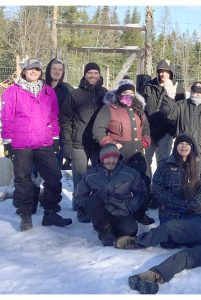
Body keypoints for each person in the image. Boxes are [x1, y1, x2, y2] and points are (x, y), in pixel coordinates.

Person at [1, 58, 72, 231]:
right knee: (23, 180)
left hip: (43, 141)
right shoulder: (12, 91)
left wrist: (55, 138)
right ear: (24, 71)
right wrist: (7, 142)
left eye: (36, 69)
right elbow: (6, 117)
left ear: (41, 72)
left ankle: (50, 212)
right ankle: (25, 215)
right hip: (21, 143)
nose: (33, 72)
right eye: (30, 69)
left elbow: (53, 116)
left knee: (54, 177)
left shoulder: (48, 91)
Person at [93, 78, 154, 225]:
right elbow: (98, 130)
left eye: (131, 92)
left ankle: (140, 212)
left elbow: (145, 128)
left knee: (142, 183)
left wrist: (145, 140)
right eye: (125, 92)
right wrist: (111, 145)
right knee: (118, 186)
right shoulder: (109, 109)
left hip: (137, 152)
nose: (128, 95)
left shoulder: (139, 109)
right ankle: (115, 215)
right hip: (118, 154)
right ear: (119, 94)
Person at [60, 62, 107, 222]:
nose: (93, 76)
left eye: (95, 73)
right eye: (90, 73)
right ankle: (80, 206)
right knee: (80, 177)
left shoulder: (105, 94)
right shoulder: (75, 94)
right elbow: (66, 120)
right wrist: (66, 143)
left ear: (99, 75)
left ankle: (96, 205)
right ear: (85, 75)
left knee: (98, 176)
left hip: (97, 144)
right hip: (78, 143)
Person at [76, 144, 149, 246]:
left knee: (130, 231)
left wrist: (130, 206)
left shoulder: (130, 173)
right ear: (102, 159)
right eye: (107, 157)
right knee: (92, 201)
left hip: (121, 211)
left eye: (115, 157)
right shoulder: (91, 175)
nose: (111, 161)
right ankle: (105, 231)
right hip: (100, 213)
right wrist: (88, 209)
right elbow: (80, 195)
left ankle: (115, 231)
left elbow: (141, 193)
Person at [160, 81, 201, 170]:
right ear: (191, 91)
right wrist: (169, 98)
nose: (198, 94)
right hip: (184, 157)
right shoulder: (181, 105)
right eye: (195, 91)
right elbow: (169, 114)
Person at [152, 133, 201, 227]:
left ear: (192, 147)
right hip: (170, 213)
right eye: (181, 143)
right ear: (175, 146)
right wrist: (177, 203)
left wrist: (194, 204)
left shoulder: (200, 166)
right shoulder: (165, 165)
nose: (184, 146)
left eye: (187, 144)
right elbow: (157, 188)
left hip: (194, 212)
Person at [142, 59, 186, 178]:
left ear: (171, 73)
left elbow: (180, 110)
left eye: (166, 71)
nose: (163, 74)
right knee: (145, 161)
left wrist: (174, 130)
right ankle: (147, 187)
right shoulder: (149, 86)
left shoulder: (178, 88)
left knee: (163, 161)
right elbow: (141, 107)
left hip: (166, 131)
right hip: (149, 130)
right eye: (161, 71)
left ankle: (161, 187)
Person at [45, 57, 74, 168]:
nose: (57, 72)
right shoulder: (41, 87)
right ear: (49, 70)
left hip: (59, 133)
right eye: (54, 69)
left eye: (60, 70)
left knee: (55, 168)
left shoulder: (66, 90)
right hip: (41, 133)